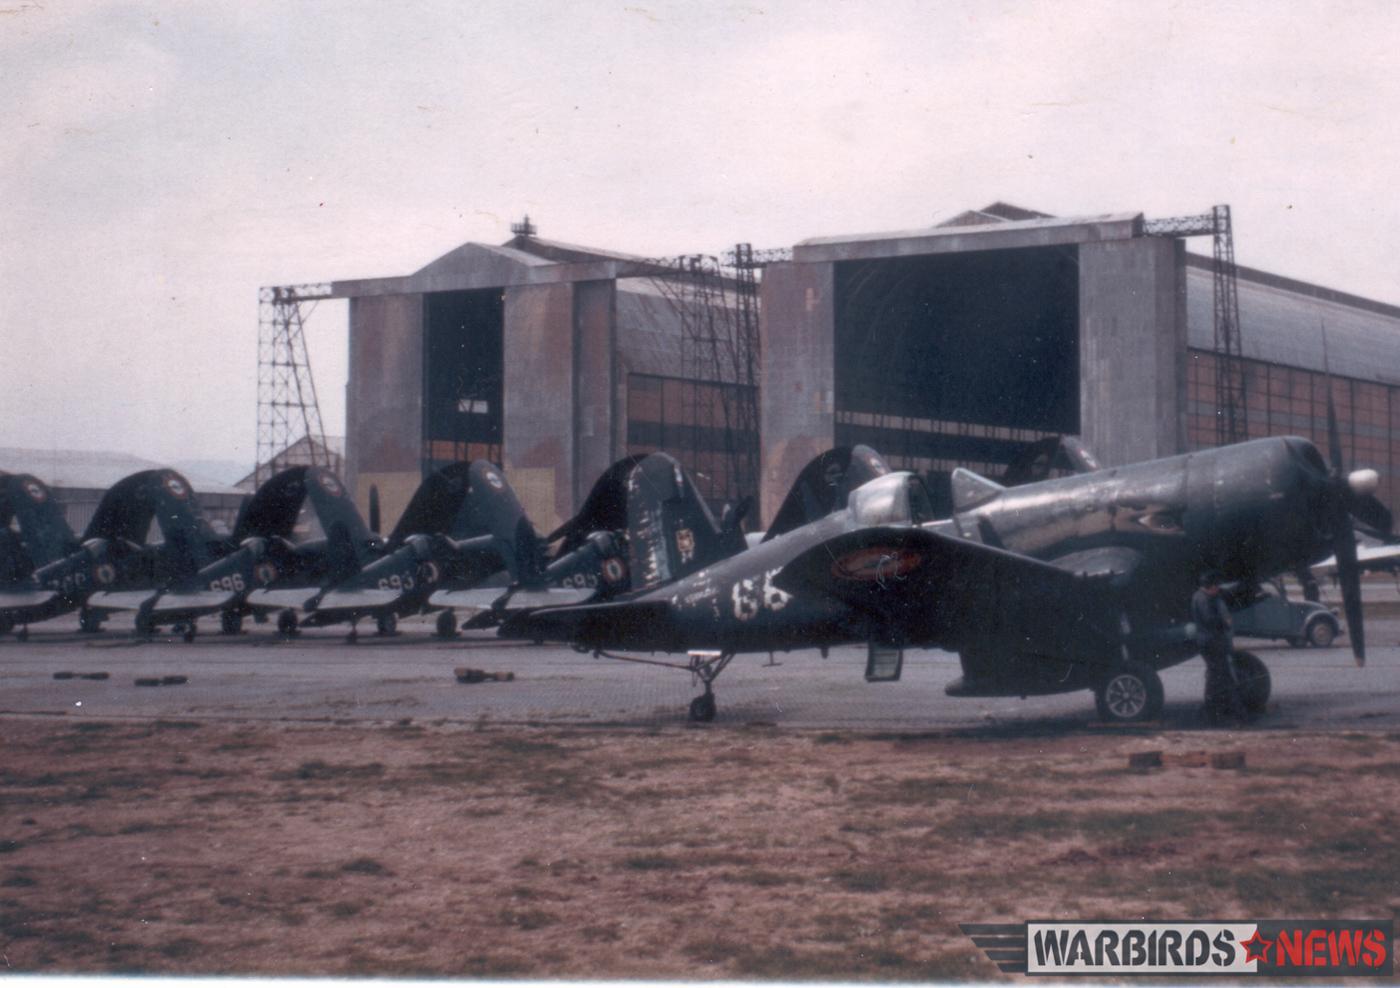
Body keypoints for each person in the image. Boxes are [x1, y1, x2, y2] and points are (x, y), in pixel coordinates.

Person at [1191, 571, 1243, 724]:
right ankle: (1217, 712)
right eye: (1216, 587)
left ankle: (1213, 711)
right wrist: (1225, 621)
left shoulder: (1199, 596)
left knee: (1215, 676)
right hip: (1211, 642)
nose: (1217, 590)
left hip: (1207, 642)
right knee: (1219, 676)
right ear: (1210, 586)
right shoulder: (1203, 599)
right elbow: (1209, 619)